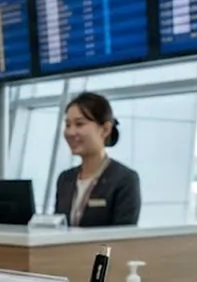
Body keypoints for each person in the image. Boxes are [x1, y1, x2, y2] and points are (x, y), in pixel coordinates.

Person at [53, 92, 141, 227]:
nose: (70, 132)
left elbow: (122, 236)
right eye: (68, 125)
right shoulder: (66, 179)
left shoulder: (124, 179)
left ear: (105, 130)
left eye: (79, 124)